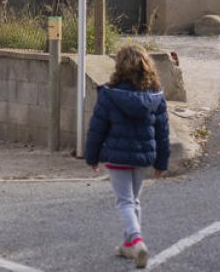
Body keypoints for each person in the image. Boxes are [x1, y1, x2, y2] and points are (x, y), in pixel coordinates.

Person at [84, 43, 170, 269]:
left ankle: (137, 240)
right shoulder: (155, 96)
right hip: (143, 157)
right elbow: (163, 132)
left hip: (118, 156)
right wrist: (162, 161)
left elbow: (97, 129)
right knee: (134, 200)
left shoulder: (110, 95)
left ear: (120, 66)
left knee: (124, 201)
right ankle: (127, 244)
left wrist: (91, 157)